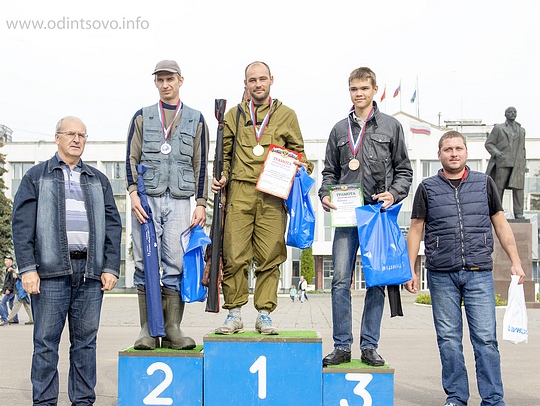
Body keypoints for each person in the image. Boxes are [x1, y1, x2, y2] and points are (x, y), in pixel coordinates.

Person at [405, 130, 524, 406]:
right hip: (441, 274)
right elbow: (416, 229)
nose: (454, 153)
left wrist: (516, 261)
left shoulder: (484, 183)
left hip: (478, 273)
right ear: (439, 155)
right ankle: (456, 398)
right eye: (448, 149)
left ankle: (494, 402)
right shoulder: (427, 187)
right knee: (448, 339)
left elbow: (500, 223)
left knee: (485, 340)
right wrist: (410, 268)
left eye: (458, 148)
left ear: (467, 152)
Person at [12, 116, 122, 406]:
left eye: (82, 135)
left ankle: (83, 405)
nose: (76, 139)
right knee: (46, 342)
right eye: (70, 134)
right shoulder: (36, 176)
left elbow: (113, 225)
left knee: (85, 343)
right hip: (49, 273)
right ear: (57, 137)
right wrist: (27, 269)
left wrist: (110, 266)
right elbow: (21, 225)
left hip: (89, 273)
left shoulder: (98, 180)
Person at [319, 67, 412, 367]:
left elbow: (404, 170)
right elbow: (329, 173)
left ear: (374, 90)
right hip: (346, 218)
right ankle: (342, 346)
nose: (358, 94)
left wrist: (393, 194)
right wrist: (325, 194)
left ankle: (369, 346)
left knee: (376, 281)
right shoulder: (338, 130)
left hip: (377, 215)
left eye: (363, 88)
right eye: (353, 89)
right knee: (339, 281)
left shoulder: (391, 126)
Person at [212, 61, 312, 335]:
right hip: (239, 193)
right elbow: (224, 155)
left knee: (271, 255)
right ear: (245, 83)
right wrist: (221, 176)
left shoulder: (287, 115)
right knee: (234, 255)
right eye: (252, 80)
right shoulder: (233, 115)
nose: (258, 84)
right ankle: (234, 314)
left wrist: (302, 166)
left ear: (271, 80)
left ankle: (264, 315)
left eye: (262, 79)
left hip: (272, 196)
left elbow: (300, 153)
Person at [126, 60, 209, 350]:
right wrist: (133, 193)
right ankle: (148, 329)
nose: (165, 84)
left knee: (175, 263)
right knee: (144, 262)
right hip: (146, 200)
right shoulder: (142, 116)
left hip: (180, 200)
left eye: (170, 79)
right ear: (155, 83)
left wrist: (201, 203)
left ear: (180, 80)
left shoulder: (196, 119)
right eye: (160, 80)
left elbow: (201, 163)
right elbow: (131, 157)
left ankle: (172, 328)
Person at [485, 106, 527, 219]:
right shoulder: (498, 128)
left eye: (514, 112)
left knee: (518, 189)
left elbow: (523, 149)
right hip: (503, 162)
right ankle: (497, 212)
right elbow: (489, 144)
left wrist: (524, 164)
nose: (512, 113)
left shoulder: (521, 130)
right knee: (499, 188)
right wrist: (497, 153)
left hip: (518, 164)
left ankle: (518, 213)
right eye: (510, 112)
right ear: (505, 114)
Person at [0, 256, 18, 325]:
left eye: (7, 260)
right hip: (11, 289)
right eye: (5, 260)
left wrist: (9, 289)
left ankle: (6, 318)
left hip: (11, 290)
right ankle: (15, 319)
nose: (5, 262)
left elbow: (12, 280)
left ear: (11, 261)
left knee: (3, 302)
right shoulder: (8, 269)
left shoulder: (11, 269)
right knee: (11, 304)